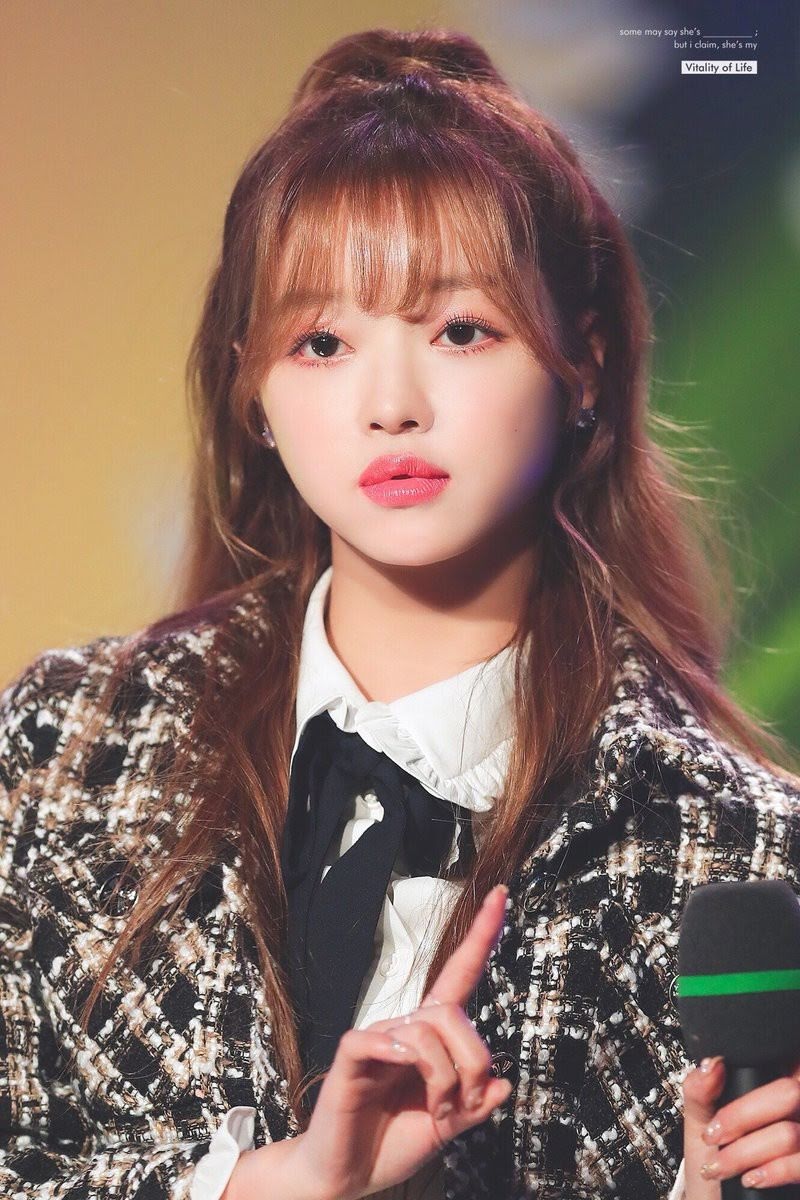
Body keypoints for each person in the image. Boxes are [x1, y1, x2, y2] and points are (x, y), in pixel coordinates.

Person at [1, 24, 800, 1200]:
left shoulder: (733, 847)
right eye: (322, 341)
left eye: (459, 331)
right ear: (253, 388)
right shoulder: (70, 749)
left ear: (581, 365)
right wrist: (277, 1184)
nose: (390, 405)